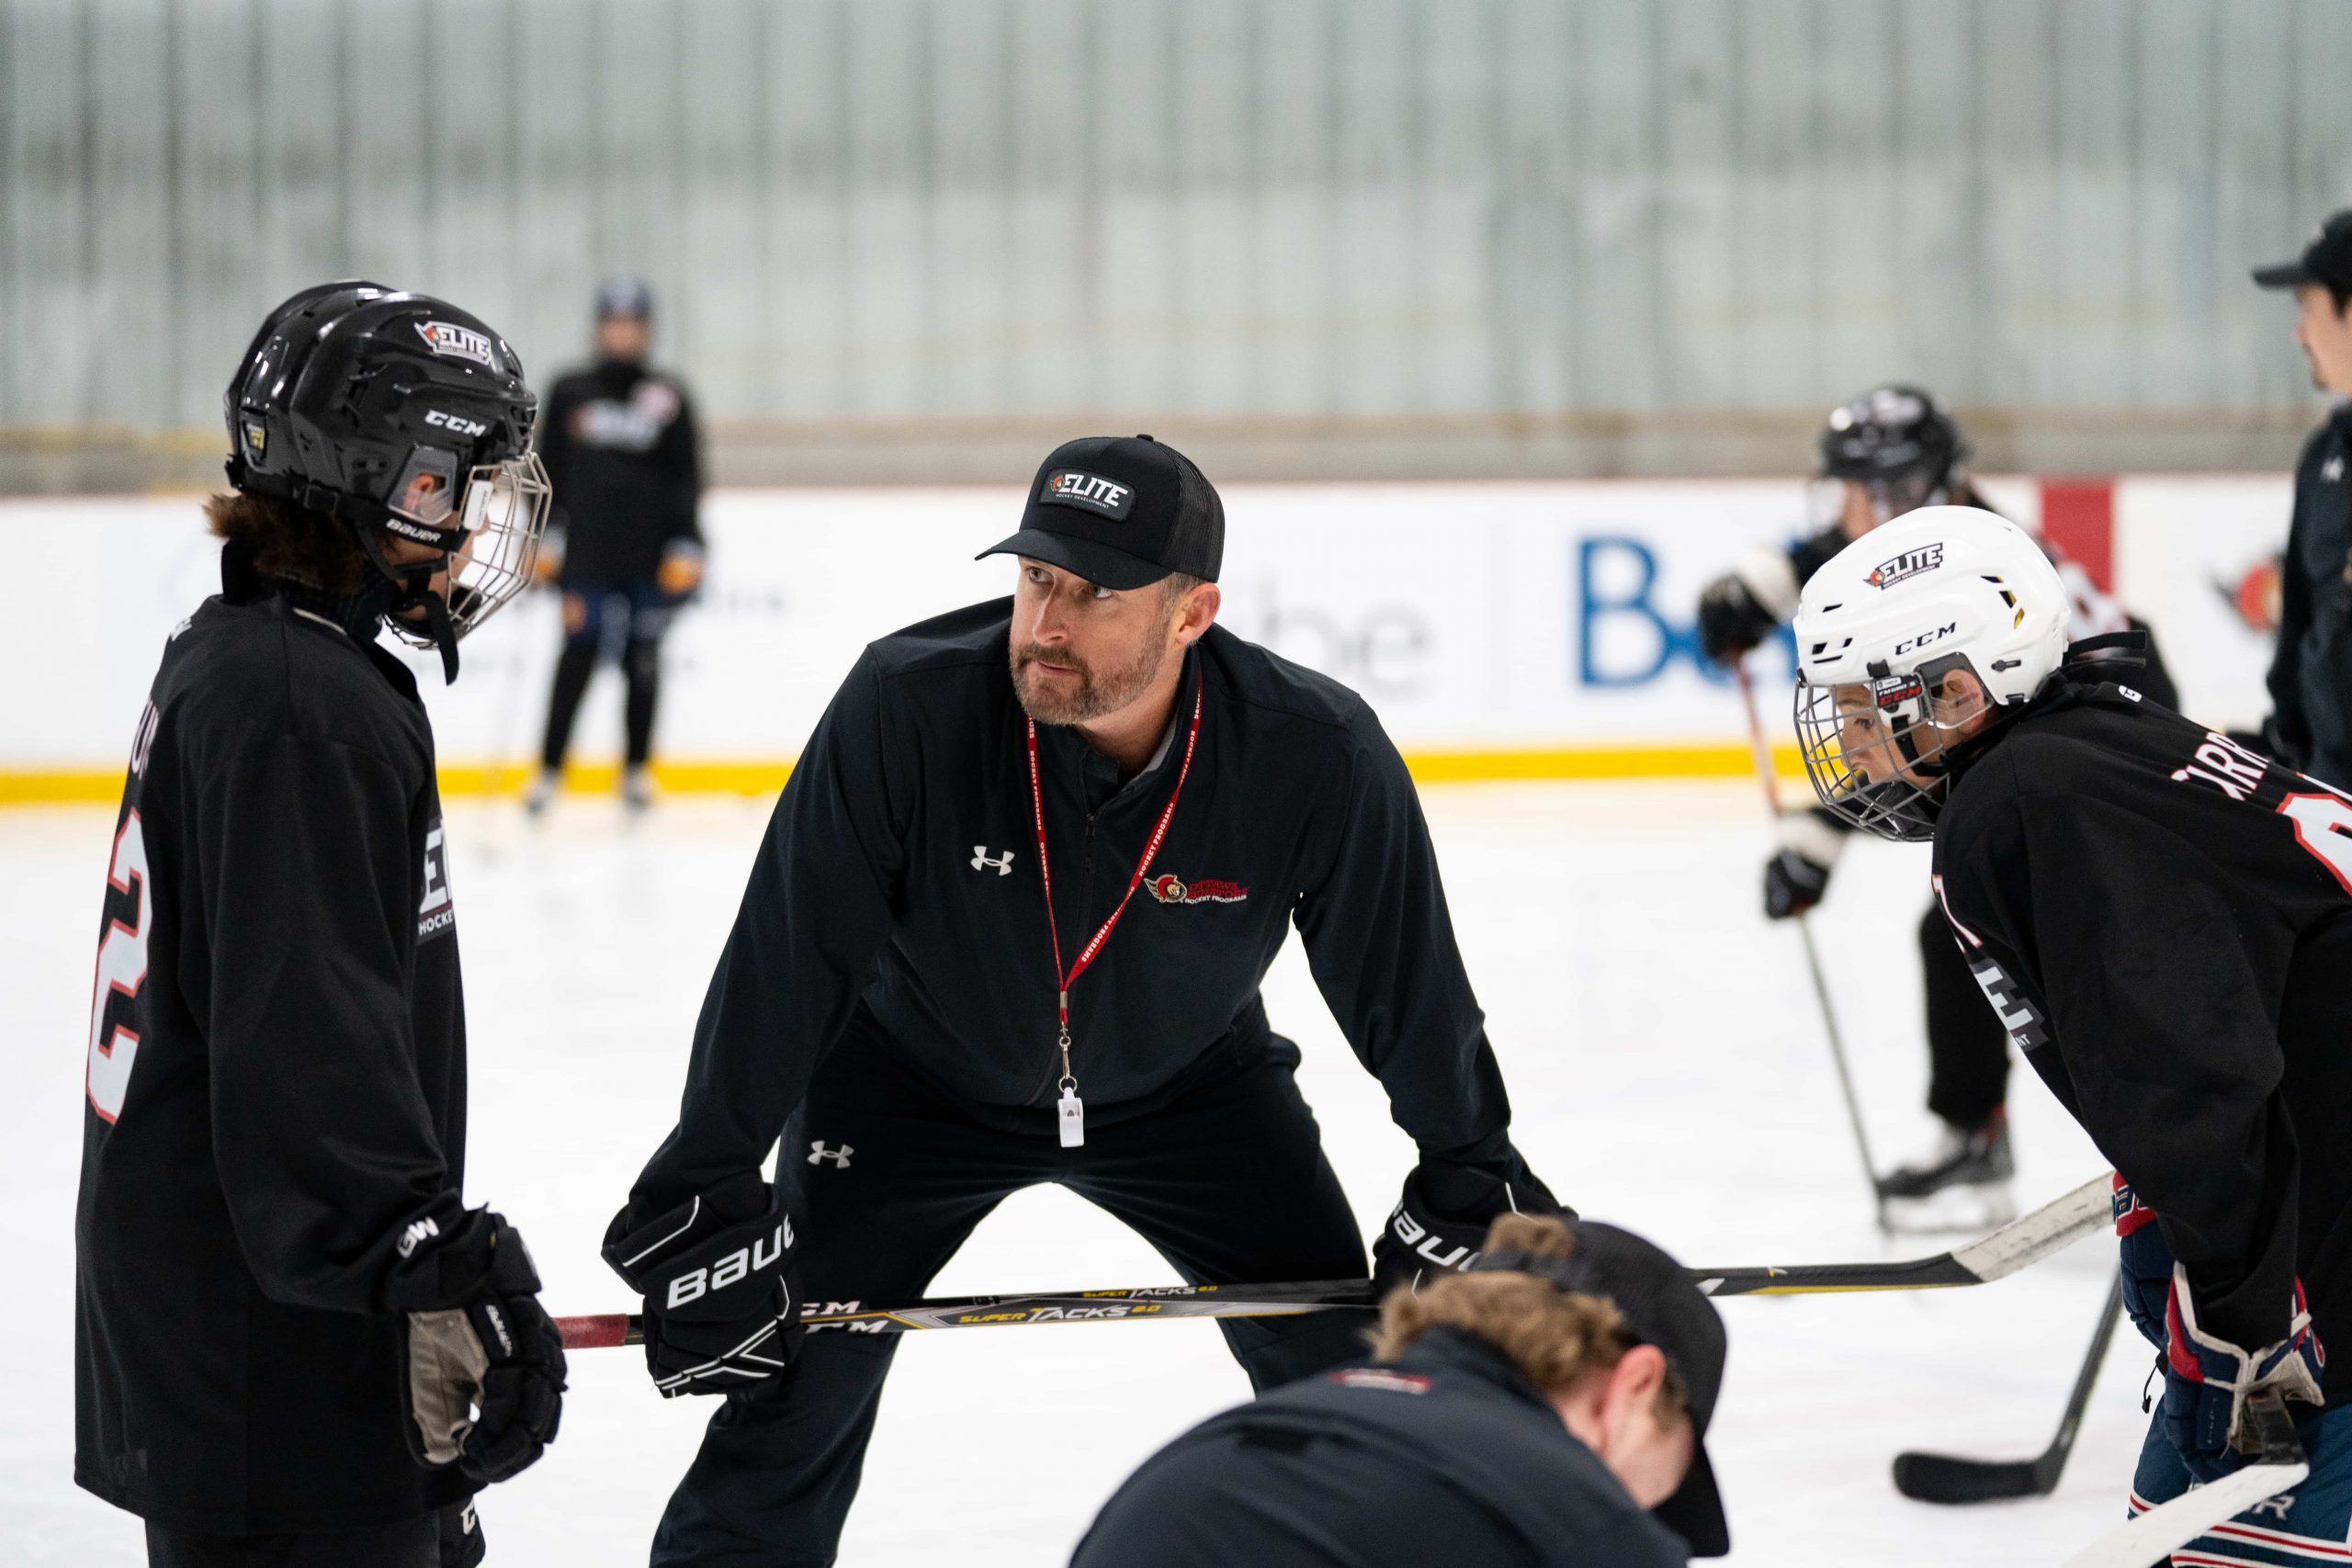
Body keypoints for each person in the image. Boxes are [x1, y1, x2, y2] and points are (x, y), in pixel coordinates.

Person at [602, 434, 1560, 1564]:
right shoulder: (904, 704)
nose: (1046, 623)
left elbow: (1402, 980)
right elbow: (786, 957)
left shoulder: (1311, 751)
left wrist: (1467, 1166)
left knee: (1347, 1368)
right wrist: (707, 1184)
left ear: (1192, 613)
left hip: (1192, 1088)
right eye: (1035, 578)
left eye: (1094, 592)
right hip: (904, 1084)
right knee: (796, 1385)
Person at [75, 282, 569, 1568]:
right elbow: (306, 1044)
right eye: (449, 480)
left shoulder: (260, 654)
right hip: (276, 1356)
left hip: (254, 1325)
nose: (467, 517)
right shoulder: (303, 705)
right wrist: (422, 1259)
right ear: (377, 475)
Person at [1791, 504, 2352, 1558]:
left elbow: (2195, 1074)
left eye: (1868, 709)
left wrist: (2245, 1326)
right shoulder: (2100, 737)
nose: (1851, 744)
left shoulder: (2022, 803)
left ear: (1958, 689)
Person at [1695, 384, 2177, 1229]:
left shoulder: (1959, 572)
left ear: (1903, 490)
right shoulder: (1933, 540)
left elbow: (1908, 748)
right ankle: (1985, 1133)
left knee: (1991, 923)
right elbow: (1832, 566)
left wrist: (1812, 847)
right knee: (1961, 919)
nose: (1840, 504)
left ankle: (2143, 1134)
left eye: (1856, 487)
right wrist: (1750, 589)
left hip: (2096, 753)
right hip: (2044, 745)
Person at [1070, 1211, 1728, 1567]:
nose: (1637, 1507)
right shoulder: (1576, 1525)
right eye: (1655, 1487)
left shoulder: (1211, 1456)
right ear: (1637, 1383)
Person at [526, 276, 705, 815]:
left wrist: (687, 544)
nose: (623, 333)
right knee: (577, 656)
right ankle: (549, 772)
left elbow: (686, 478)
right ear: (601, 327)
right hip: (586, 555)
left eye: (633, 324)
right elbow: (546, 470)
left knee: (643, 661)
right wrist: (542, 538)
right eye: (614, 323)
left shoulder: (670, 396)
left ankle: (635, 773)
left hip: (649, 558)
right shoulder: (570, 390)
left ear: (646, 330)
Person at [2254, 209, 2352, 786]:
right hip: (2330, 804)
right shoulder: (2324, 458)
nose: (2298, 333)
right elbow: (2298, 633)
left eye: (2307, 309)